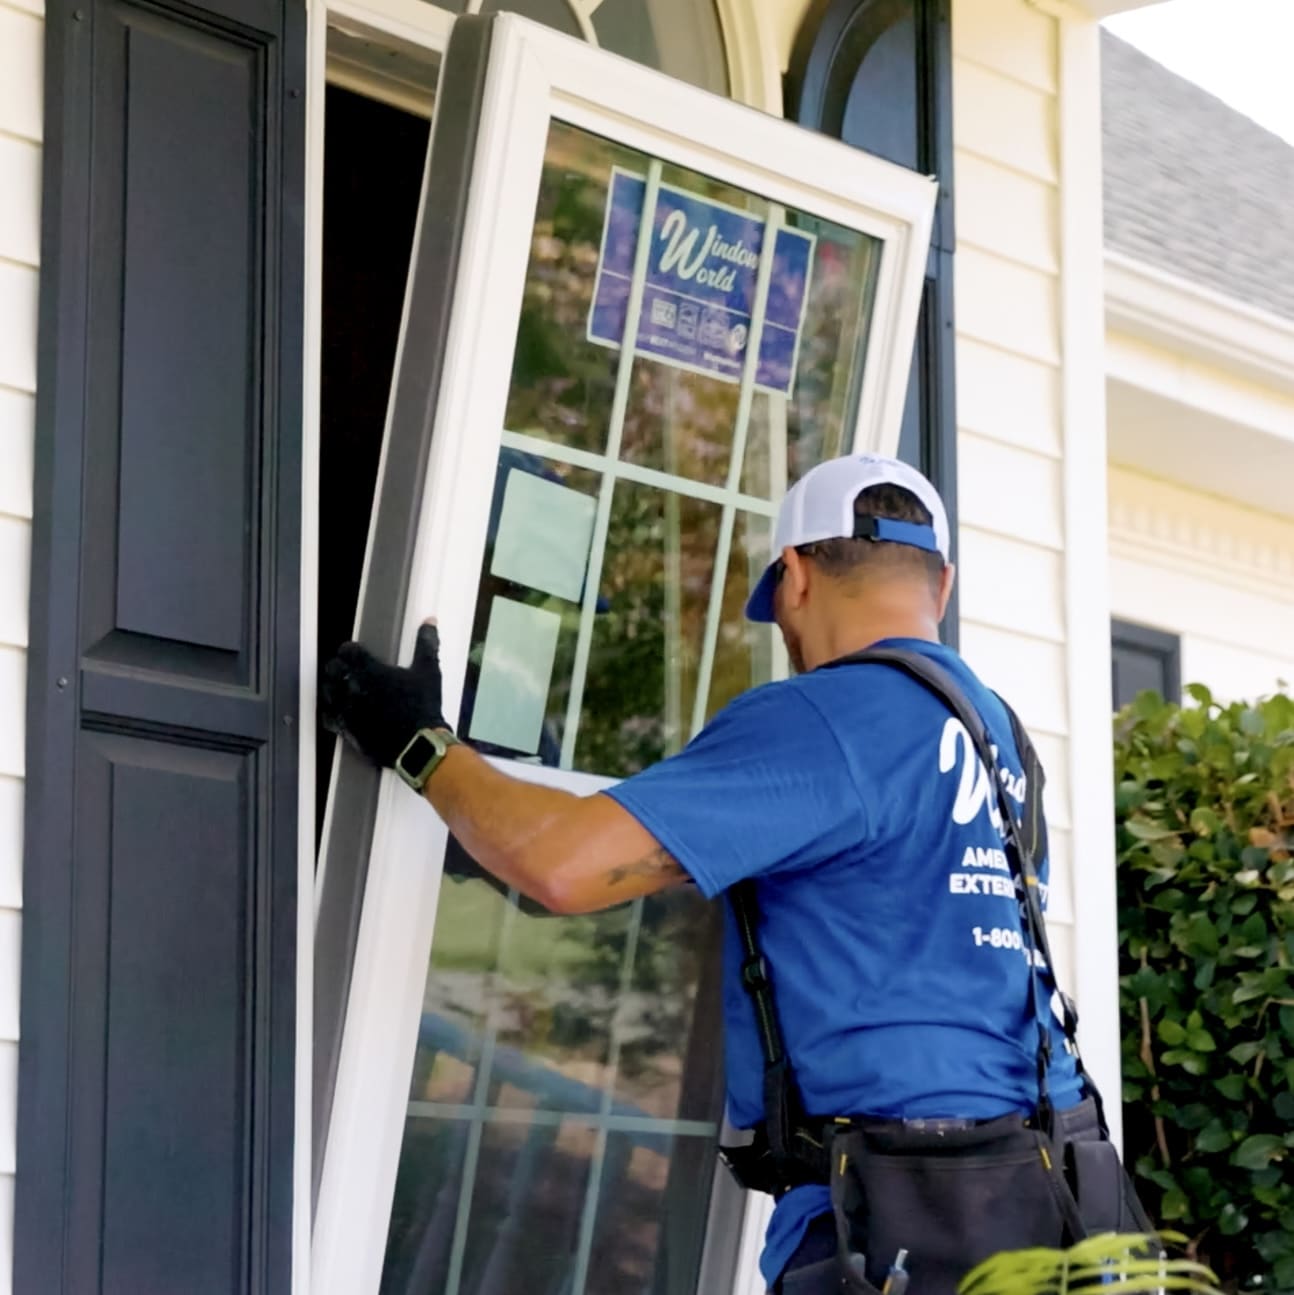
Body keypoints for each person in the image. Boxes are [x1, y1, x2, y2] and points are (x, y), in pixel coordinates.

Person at [319, 453, 1117, 1295]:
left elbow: (559, 864)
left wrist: (420, 743)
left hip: (912, 1226)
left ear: (797, 577)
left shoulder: (831, 714)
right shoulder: (1001, 738)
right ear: (941, 585)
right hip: (1044, 1201)